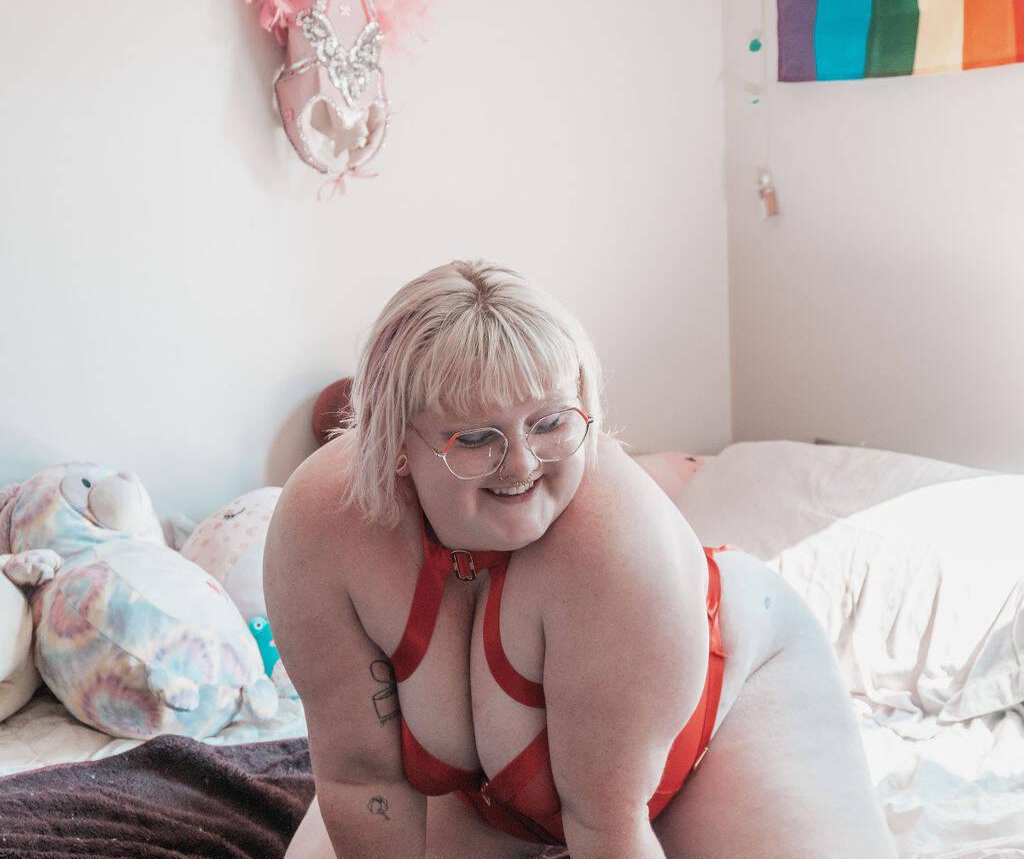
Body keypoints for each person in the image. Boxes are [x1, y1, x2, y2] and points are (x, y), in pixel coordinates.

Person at [265, 260, 897, 859]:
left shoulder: (619, 547)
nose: (521, 465)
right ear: (395, 440)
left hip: (720, 711)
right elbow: (363, 781)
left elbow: (606, 830)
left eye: (549, 423)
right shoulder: (326, 526)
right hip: (488, 802)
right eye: (477, 437)